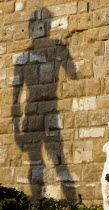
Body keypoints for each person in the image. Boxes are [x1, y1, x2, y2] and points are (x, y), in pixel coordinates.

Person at [12, 8, 77, 200]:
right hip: (33, 115)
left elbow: (72, 74)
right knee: (41, 164)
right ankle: (37, 203)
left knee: (58, 162)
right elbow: (15, 97)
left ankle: (70, 202)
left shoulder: (53, 50)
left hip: (49, 112)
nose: (42, 27)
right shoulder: (23, 58)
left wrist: (64, 53)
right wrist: (15, 129)